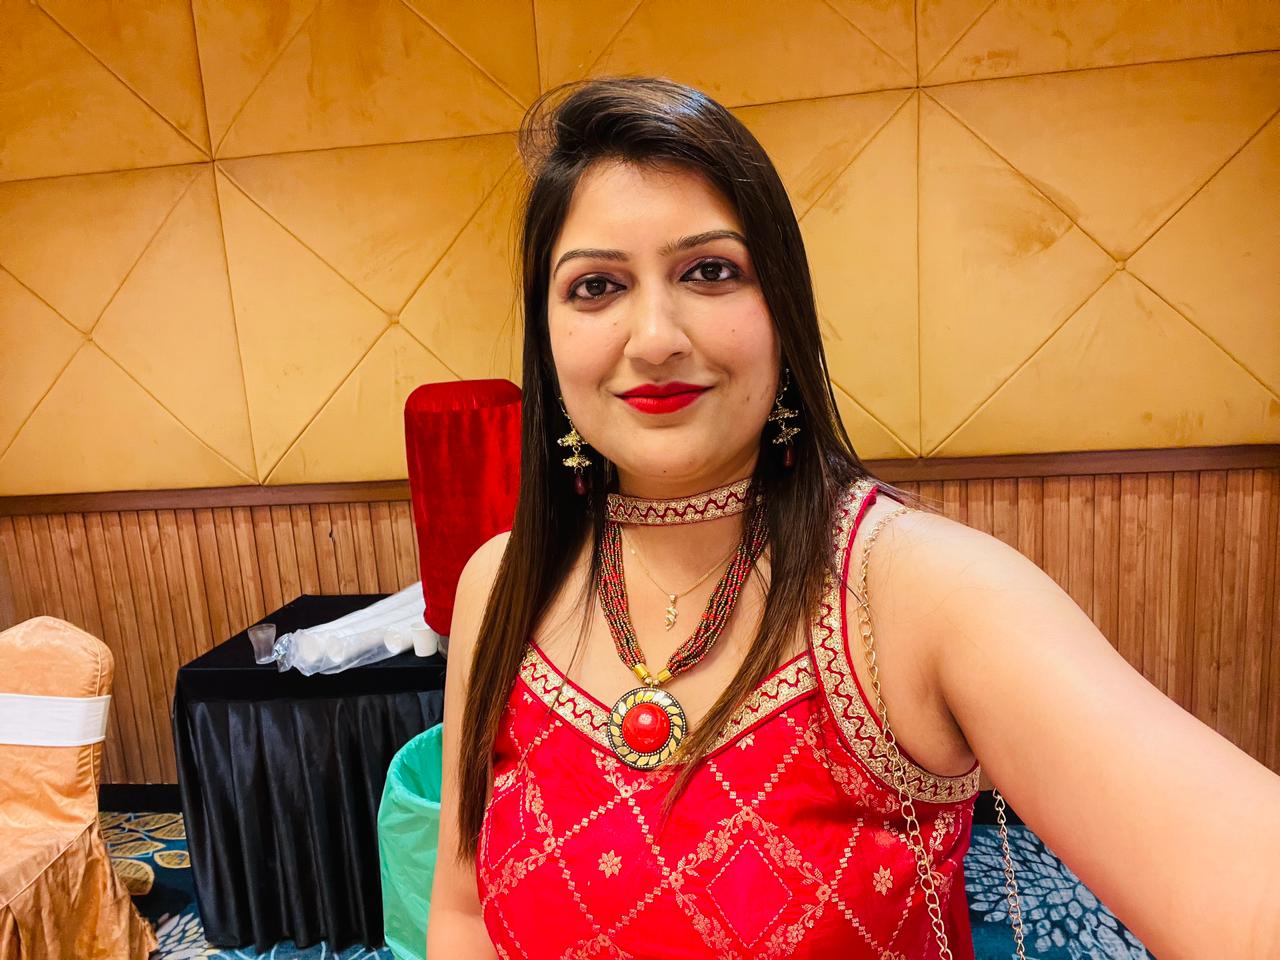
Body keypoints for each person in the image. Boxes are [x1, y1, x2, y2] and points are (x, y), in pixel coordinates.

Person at [427, 76, 1280, 959]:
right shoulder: (501, 584)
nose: (654, 338)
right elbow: (462, 908)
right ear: (547, 337)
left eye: (710, 271)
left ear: (783, 306)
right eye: (596, 286)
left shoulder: (916, 590)